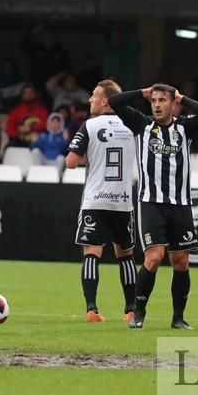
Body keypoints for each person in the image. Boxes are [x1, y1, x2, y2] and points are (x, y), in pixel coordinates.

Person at [110, 83, 198, 330]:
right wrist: (142, 93)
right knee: (154, 258)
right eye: (154, 100)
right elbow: (115, 102)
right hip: (151, 203)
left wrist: (183, 98)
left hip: (180, 204)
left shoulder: (185, 127)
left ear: (172, 104)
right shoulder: (141, 124)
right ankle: (139, 312)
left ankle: (178, 318)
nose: (156, 105)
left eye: (162, 100)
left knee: (181, 261)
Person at [65, 80, 138, 323]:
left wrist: (94, 159)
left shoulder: (90, 125)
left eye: (94, 96)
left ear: (105, 101)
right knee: (125, 255)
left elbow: (71, 162)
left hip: (96, 199)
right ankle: (130, 310)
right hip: (123, 201)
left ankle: (92, 310)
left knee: (91, 254)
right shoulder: (133, 126)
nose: (90, 100)